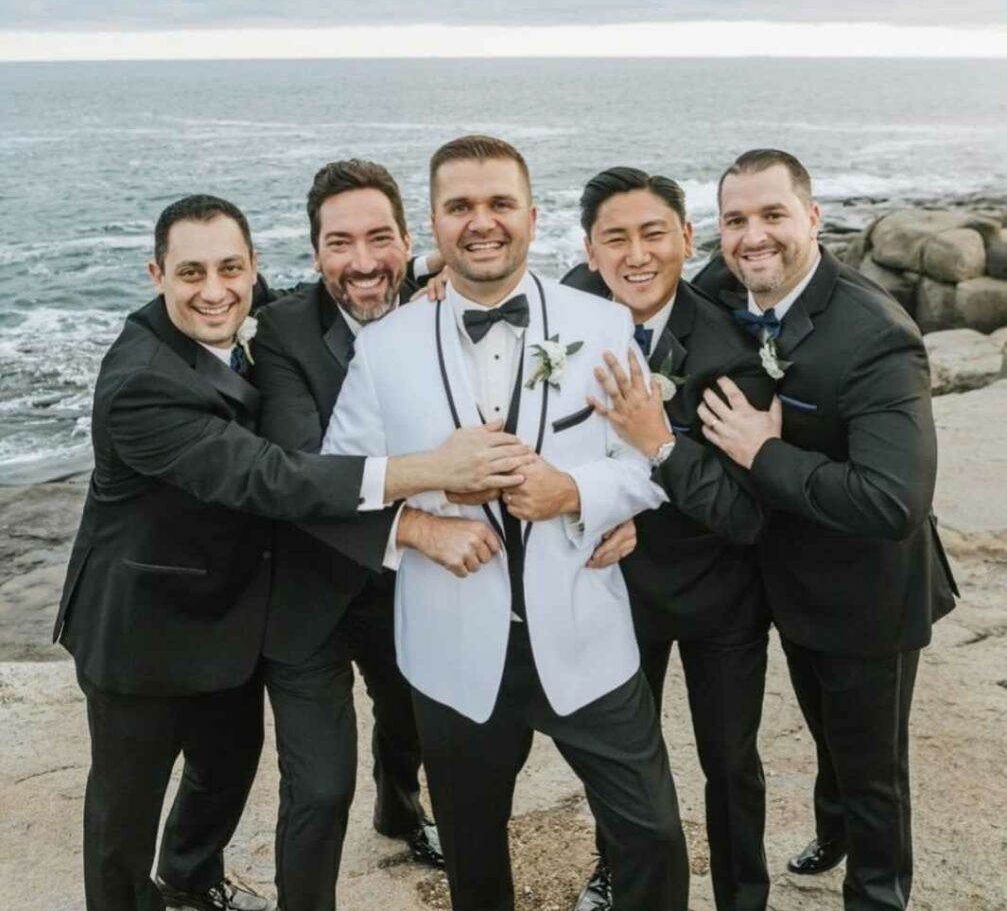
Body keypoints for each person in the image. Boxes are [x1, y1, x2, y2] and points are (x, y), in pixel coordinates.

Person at [53, 193, 531, 911]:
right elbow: (268, 475)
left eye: (230, 269)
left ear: (253, 269)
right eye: (190, 274)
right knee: (124, 808)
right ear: (157, 274)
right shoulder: (139, 385)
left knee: (225, 766)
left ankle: (189, 880)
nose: (214, 290)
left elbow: (341, 285)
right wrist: (430, 471)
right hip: (141, 623)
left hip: (230, 607)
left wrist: (428, 263)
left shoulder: (243, 308)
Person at [322, 135, 690, 911]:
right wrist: (417, 531)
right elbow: (340, 483)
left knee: (652, 833)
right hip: (450, 647)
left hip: (587, 634)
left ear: (532, 215)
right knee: (473, 852)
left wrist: (576, 494)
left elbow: (645, 468)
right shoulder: (384, 349)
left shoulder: (600, 323)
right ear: (434, 221)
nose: (480, 222)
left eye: (499, 204)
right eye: (460, 206)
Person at [691, 150, 959, 911]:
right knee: (824, 732)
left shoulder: (877, 335)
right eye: (735, 220)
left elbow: (890, 500)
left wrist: (762, 453)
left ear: (811, 217)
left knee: (871, 767)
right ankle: (831, 828)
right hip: (776, 579)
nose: (752, 237)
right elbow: (634, 289)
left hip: (867, 590)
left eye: (772, 215)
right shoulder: (721, 285)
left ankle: (875, 890)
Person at [565, 167, 774, 911]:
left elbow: (746, 514)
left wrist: (659, 449)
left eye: (653, 233)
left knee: (729, 762)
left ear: (686, 239)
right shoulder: (569, 314)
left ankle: (740, 895)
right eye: (614, 238)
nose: (636, 254)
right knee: (619, 759)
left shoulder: (728, 351)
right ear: (589, 251)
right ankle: (615, 872)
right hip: (613, 588)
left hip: (719, 594)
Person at [252, 159, 449, 911]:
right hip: (310, 586)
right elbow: (307, 468)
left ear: (408, 241)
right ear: (314, 254)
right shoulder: (281, 332)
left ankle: (400, 810)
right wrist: (415, 519)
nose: (362, 263)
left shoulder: (443, 304)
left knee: (412, 728)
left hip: (409, 589)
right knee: (320, 785)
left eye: (379, 239)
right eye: (340, 243)